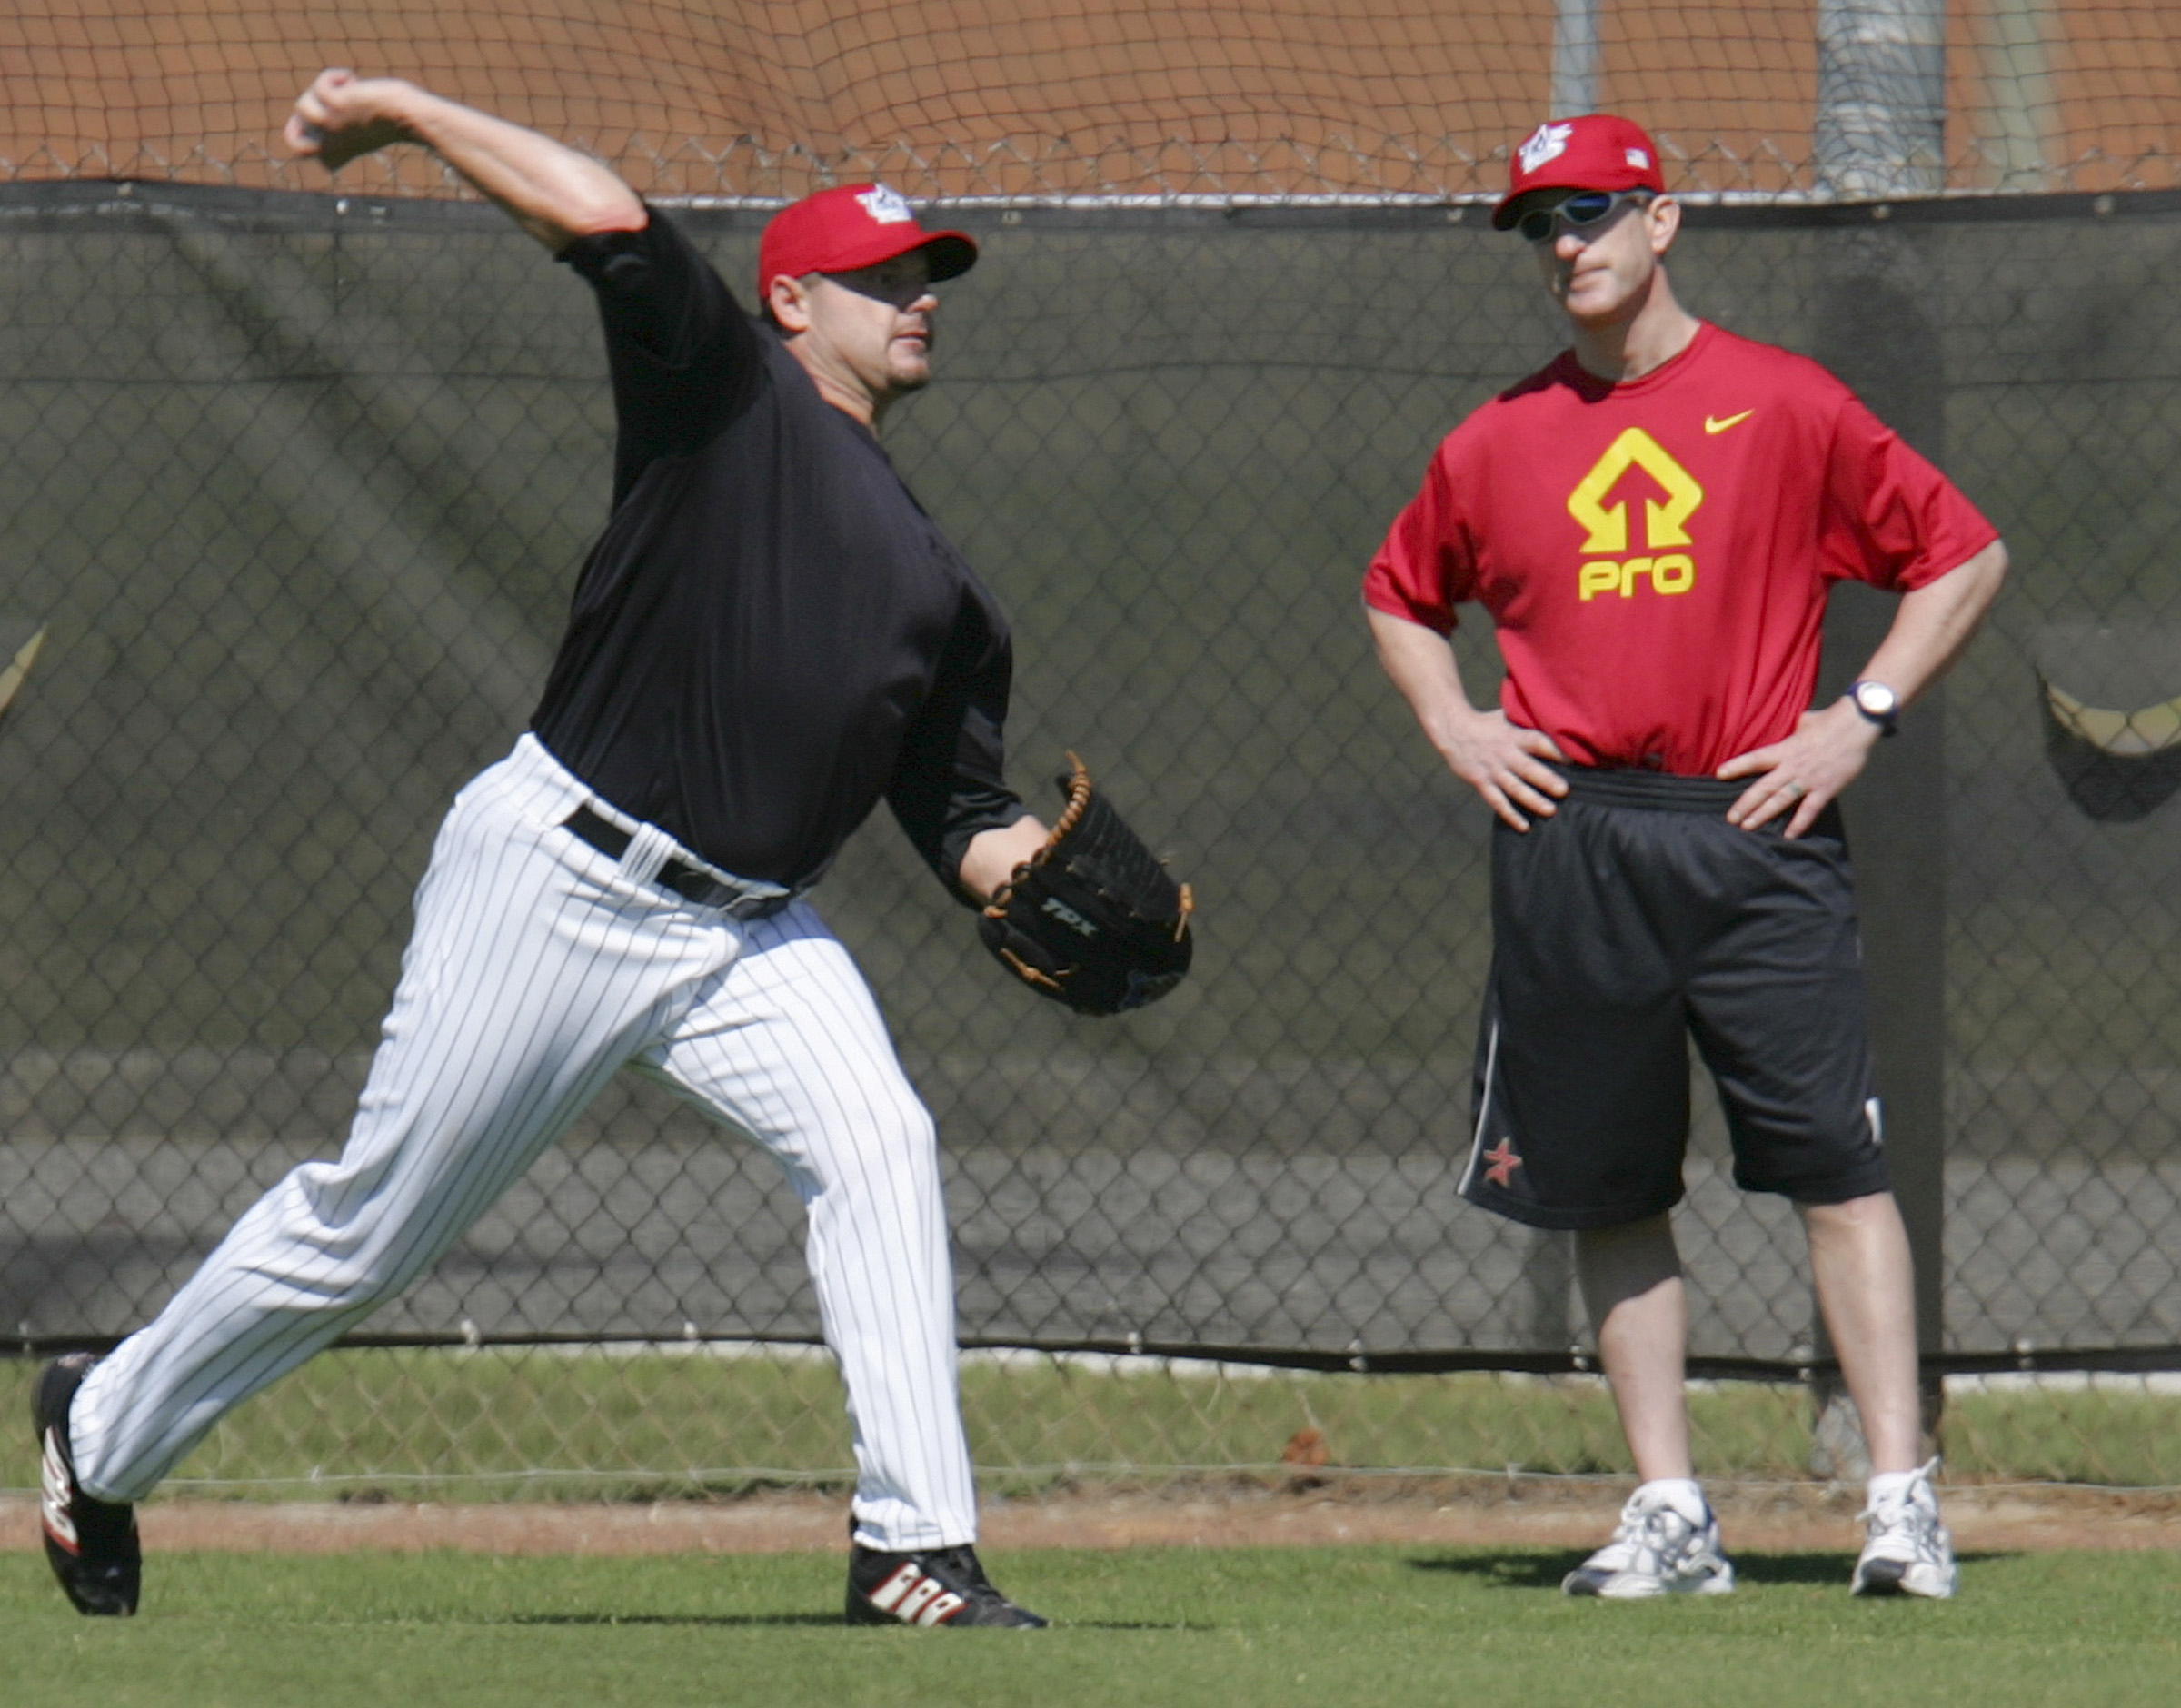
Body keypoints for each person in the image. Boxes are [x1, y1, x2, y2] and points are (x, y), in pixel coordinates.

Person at [34, 68, 1056, 1628]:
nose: (920, 299)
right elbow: (604, 217)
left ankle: (912, 1546)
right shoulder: (724, 394)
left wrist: (1041, 883)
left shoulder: (946, 588)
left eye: (931, 278)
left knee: (881, 1146)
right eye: (887, 277)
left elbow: (961, 816)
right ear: (794, 301)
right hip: (566, 875)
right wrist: (402, 109)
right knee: (370, 1232)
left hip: (749, 936)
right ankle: (99, 1432)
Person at [1363, 114, 2007, 1600]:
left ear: (1664, 222)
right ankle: (1672, 1512)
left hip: (1752, 828)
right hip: (1574, 836)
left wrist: (1863, 716)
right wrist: (1457, 727)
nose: (1565, 245)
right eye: (1541, 224)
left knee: (1836, 1167)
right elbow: (1400, 592)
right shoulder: (1496, 436)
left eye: (1590, 212)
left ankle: (1901, 1502)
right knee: (1605, 1184)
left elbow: (1961, 553)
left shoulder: (1782, 406)